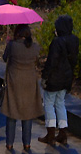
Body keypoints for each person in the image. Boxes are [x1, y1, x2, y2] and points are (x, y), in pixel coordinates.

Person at [2, 24, 44, 150]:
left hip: (14, 81)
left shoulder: (12, 46)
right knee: (28, 113)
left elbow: (5, 58)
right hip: (29, 82)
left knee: (12, 112)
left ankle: (9, 143)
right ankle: (27, 143)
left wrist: (8, 43)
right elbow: (37, 61)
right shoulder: (35, 47)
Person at [38, 15, 78, 145]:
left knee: (49, 104)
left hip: (54, 78)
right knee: (60, 103)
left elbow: (51, 62)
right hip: (66, 77)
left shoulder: (57, 42)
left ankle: (50, 134)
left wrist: (45, 77)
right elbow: (73, 61)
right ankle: (62, 133)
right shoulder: (74, 40)